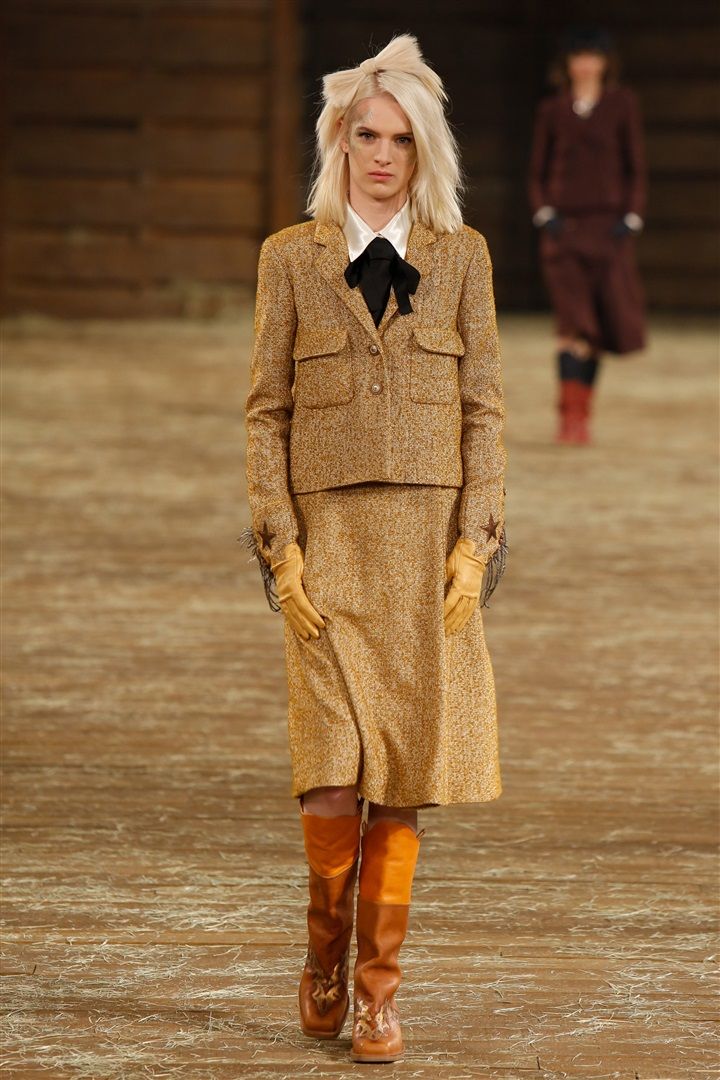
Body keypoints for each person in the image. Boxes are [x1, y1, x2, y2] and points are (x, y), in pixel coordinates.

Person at [240, 32, 507, 1064]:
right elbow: (265, 411)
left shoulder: (463, 257)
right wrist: (280, 547)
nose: (384, 156)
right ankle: (323, 960)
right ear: (338, 142)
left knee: (401, 774)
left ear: (423, 149)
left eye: (402, 139)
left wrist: (476, 544)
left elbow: (485, 411)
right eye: (367, 136)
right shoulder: (290, 258)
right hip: (327, 553)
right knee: (328, 777)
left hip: (425, 553)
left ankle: (376, 995)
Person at [528, 25, 648, 445]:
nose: (585, 64)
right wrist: (544, 213)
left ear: (604, 61)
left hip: (608, 231)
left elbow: (635, 165)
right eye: (578, 55)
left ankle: (581, 415)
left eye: (592, 55)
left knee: (596, 328)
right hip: (563, 232)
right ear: (567, 63)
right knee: (572, 323)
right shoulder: (552, 110)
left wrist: (631, 217)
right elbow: (537, 170)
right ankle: (570, 418)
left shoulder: (622, 104)